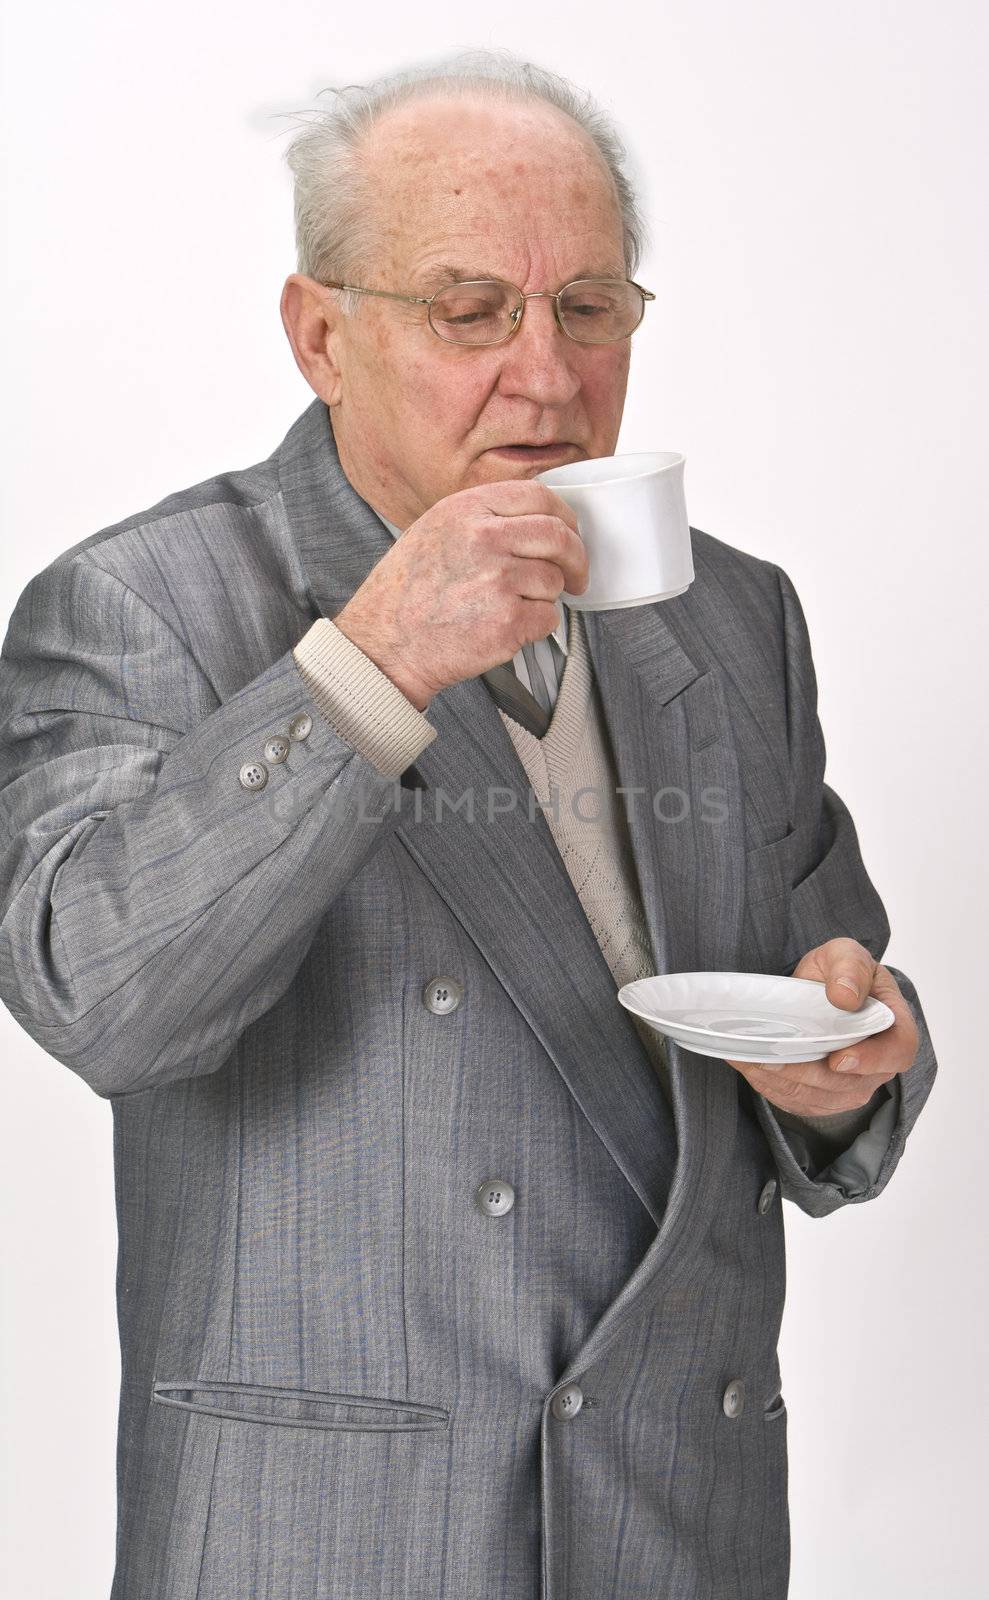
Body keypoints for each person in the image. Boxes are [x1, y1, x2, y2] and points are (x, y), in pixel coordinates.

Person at [0, 48, 936, 1600]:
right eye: (468, 311)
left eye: (588, 307)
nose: (548, 375)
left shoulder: (734, 614)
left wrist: (843, 1065)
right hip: (329, 1542)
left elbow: (818, 1014)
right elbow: (96, 999)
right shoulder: (144, 601)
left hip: (679, 1529)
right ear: (320, 335)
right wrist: (368, 666)